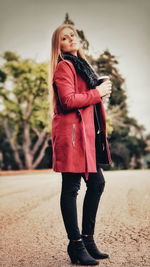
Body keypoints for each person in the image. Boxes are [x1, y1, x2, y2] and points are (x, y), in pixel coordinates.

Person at [49, 24, 112, 266]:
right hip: (72, 137)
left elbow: (84, 97)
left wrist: (98, 91)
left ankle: (87, 239)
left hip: (85, 137)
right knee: (71, 187)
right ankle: (75, 245)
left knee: (97, 182)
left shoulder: (82, 66)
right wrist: (97, 92)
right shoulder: (64, 65)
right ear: (59, 46)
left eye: (72, 35)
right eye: (65, 38)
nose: (71, 39)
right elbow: (67, 100)